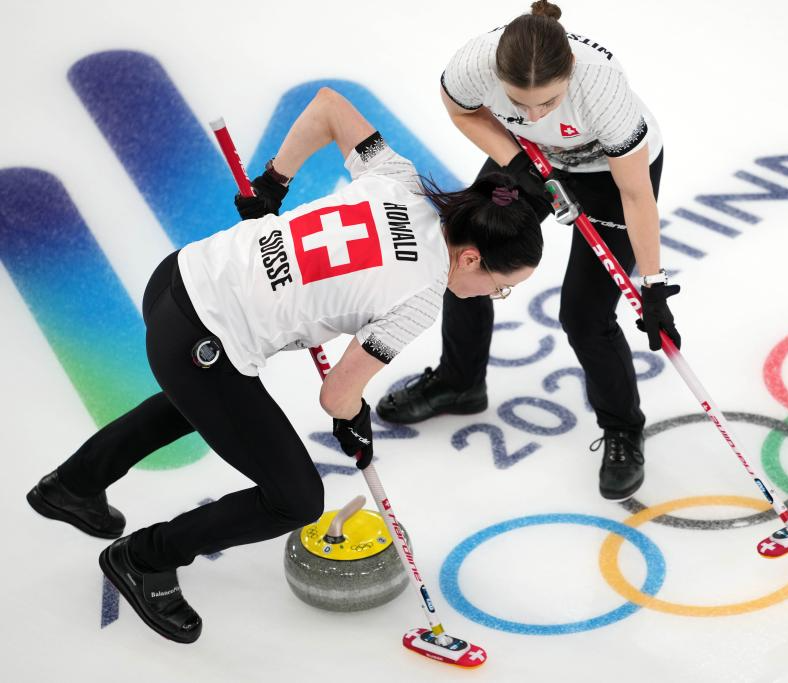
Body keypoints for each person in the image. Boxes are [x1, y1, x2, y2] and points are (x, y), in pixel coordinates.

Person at [24, 86, 543, 644]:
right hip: (200, 341)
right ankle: (145, 558)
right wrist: (354, 420)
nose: (493, 296)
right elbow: (336, 395)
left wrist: (275, 181)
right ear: (471, 257)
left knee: (208, 399)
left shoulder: (401, 179)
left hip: (178, 276)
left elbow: (328, 107)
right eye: (501, 287)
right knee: (294, 498)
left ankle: (74, 484)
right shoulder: (420, 296)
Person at [377, 0, 679, 502]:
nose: (535, 114)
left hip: (610, 178)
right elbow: (461, 110)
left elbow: (635, 194)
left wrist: (652, 284)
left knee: (585, 315)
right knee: (466, 258)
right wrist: (519, 163)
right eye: (521, 104)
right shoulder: (473, 65)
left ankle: (623, 429)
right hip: (529, 160)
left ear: (571, 71)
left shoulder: (603, 90)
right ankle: (460, 381)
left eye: (549, 102)